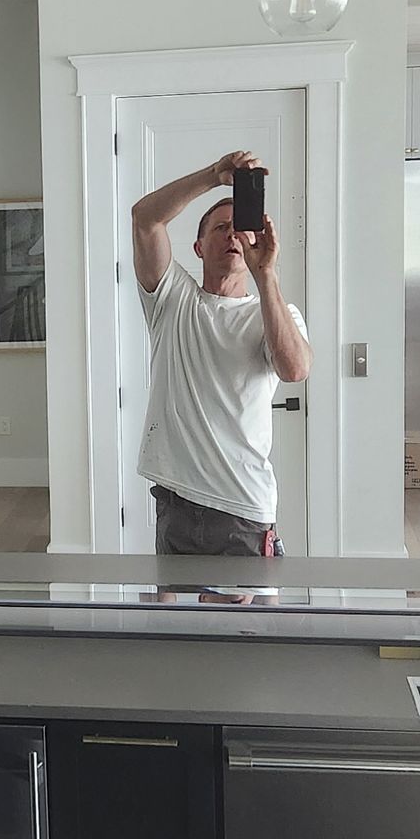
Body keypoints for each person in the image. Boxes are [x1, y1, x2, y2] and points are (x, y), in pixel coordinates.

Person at [129, 149, 312, 557]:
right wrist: (214, 175)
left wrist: (266, 277)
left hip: (242, 510)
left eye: (240, 228)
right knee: (172, 621)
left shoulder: (276, 312)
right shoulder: (172, 300)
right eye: (219, 228)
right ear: (198, 246)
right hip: (175, 502)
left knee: (248, 623)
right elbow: (145, 218)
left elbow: (295, 370)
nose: (232, 236)